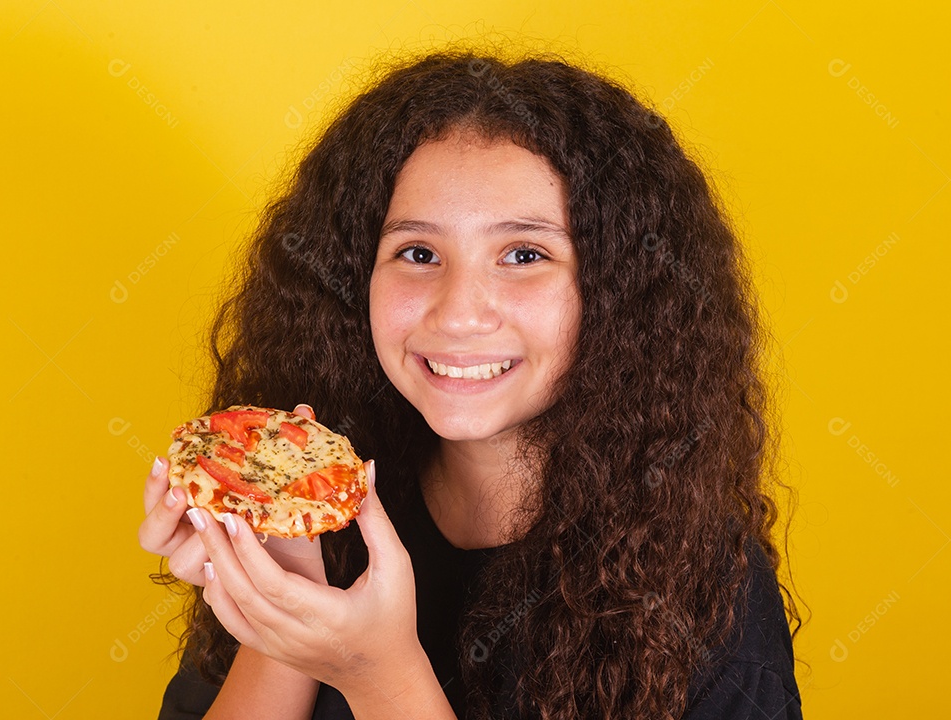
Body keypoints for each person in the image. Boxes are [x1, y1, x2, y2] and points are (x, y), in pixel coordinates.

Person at [138, 46, 806, 720]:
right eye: (418, 253)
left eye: (524, 254)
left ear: (619, 291)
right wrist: (282, 610)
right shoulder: (318, 515)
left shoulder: (708, 597)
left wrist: (381, 679)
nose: (458, 312)